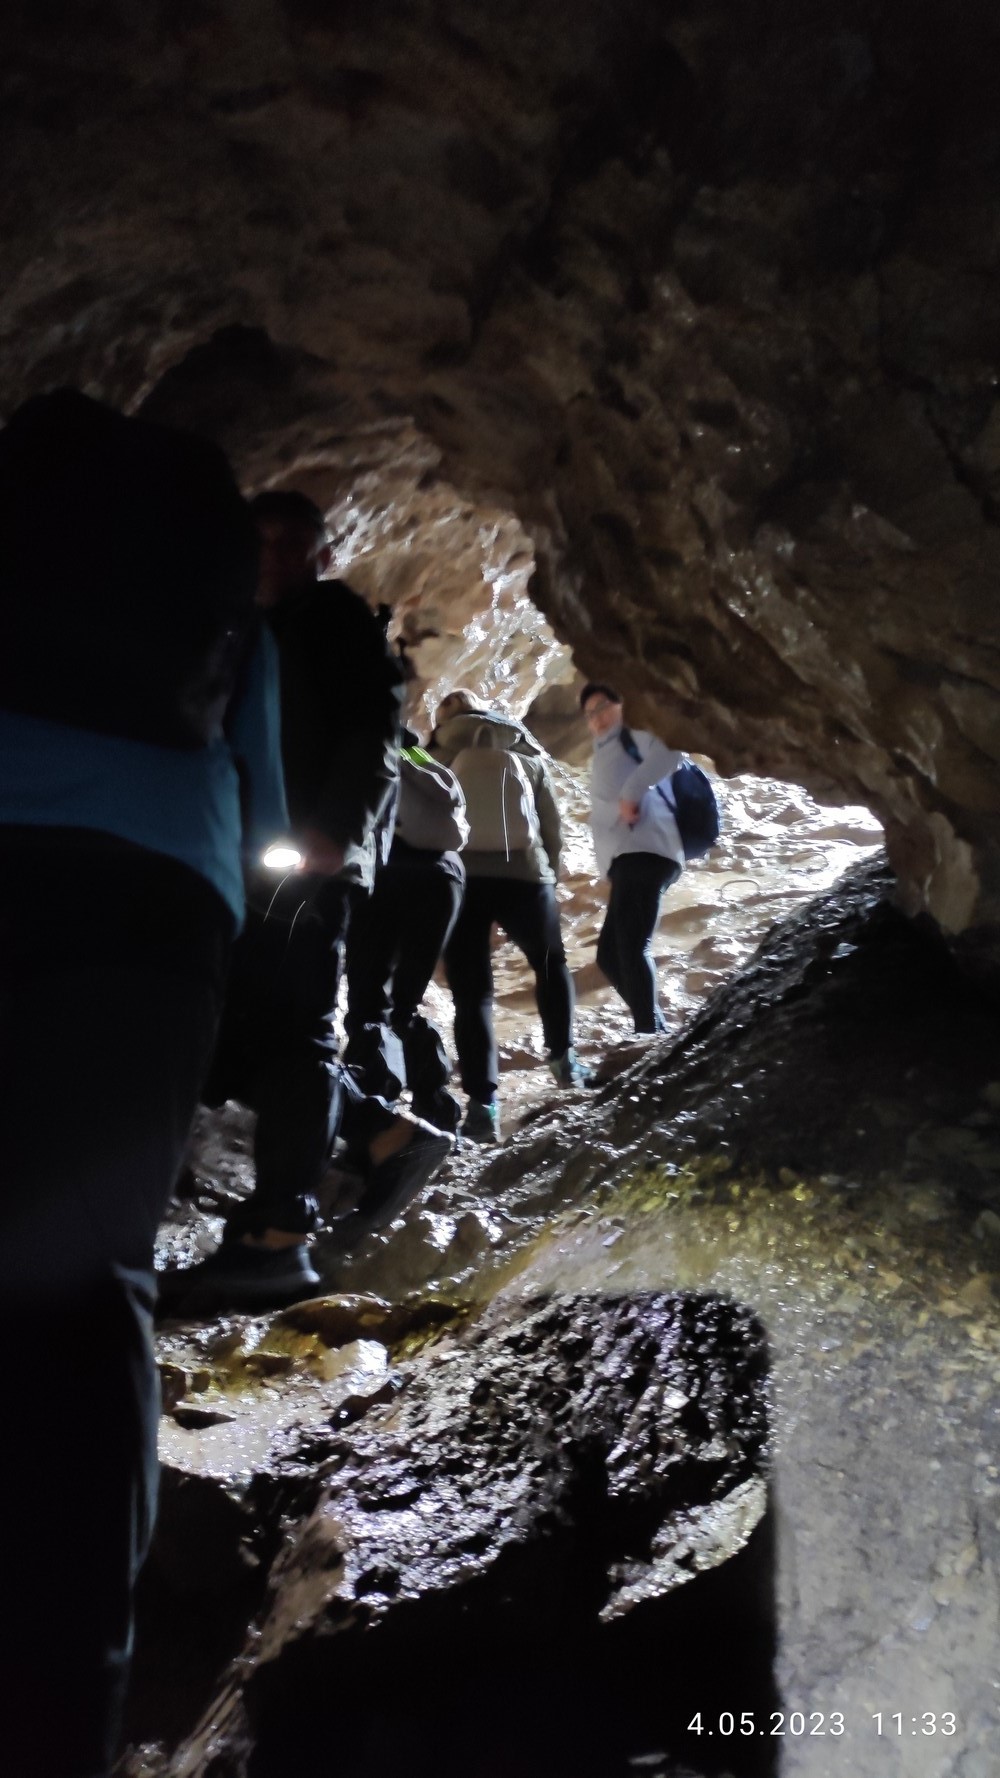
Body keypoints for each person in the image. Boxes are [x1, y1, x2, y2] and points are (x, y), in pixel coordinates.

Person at [0, 389, 278, 1778]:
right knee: (86, 1281)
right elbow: (260, 777)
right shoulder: (218, 598)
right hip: (157, 901)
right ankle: (65, 1709)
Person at [160, 491, 453, 1313]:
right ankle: (385, 1133)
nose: (274, 556)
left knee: (293, 1034)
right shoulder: (249, 630)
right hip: (248, 863)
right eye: (260, 541)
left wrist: (332, 835)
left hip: (307, 865)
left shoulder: (334, 621)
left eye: (292, 543)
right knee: (232, 1037)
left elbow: (374, 732)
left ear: (323, 556)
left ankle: (279, 1236)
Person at [430, 689, 591, 1143]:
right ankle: (564, 1061)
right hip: (524, 876)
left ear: (443, 721)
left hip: (462, 879)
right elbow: (550, 826)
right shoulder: (523, 751)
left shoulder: (433, 756)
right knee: (550, 963)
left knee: (473, 995)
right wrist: (547, 876)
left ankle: (482, 1106)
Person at [344, 729, 467, 1135]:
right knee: (405, 1003)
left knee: (368, 1002)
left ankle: (373, 1105)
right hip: (445, 877)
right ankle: (434, 1103)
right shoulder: (424, 762)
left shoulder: (368, 756)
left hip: (388, 875)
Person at [580, 681, 684, 1034]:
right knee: (609, 956)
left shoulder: (632, 732)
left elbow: (671, 752)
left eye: (602, 707)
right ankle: (655, 1027)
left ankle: (649, 1033)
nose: (597, 718)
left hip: (646, 852)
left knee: (632, 946)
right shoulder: (606, 748)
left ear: (620, 704)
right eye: (589, 714)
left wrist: (632, 792)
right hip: (629, 858)